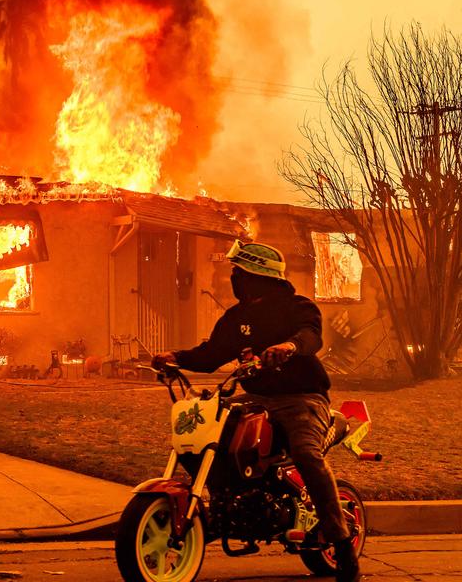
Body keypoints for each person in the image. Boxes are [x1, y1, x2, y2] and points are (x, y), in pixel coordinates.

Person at [152, 239, 361, 582]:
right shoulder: (237, 318)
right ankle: (224, 505)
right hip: (256, 399)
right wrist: (176, 357)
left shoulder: (298, 307)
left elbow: (311, 336)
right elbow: (211, 354)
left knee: (307, 455)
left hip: (302, 398)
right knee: (207, 427)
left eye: (239, 272)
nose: (234, 278)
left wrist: (289, 346)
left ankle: (342, 546)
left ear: (257, 277)